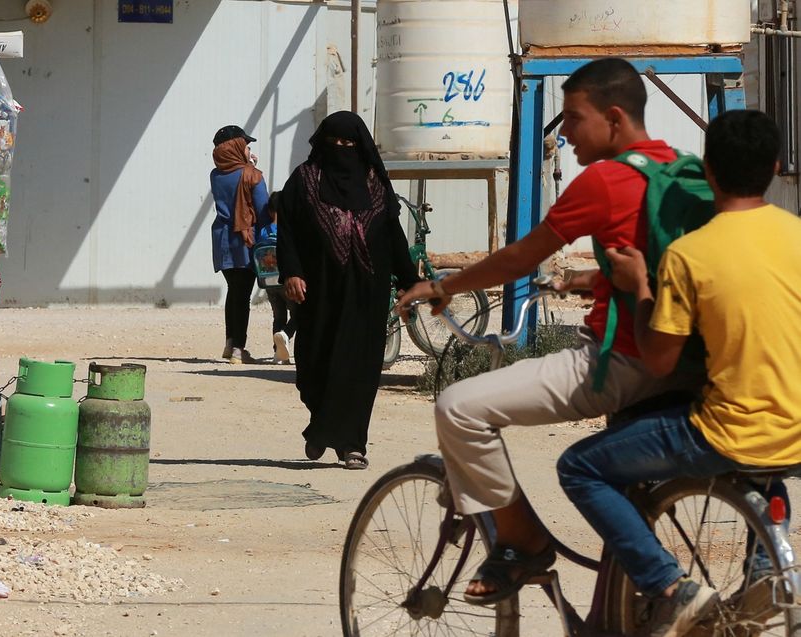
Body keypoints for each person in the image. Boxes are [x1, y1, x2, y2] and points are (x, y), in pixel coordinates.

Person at [396, 58, 704, 600]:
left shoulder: (605, 179)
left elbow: (521, 257)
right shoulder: (683, 169)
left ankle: (520, 540)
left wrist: (446, 286)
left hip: (622, 361)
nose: (563, 132)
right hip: (684, 359)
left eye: (572, 117)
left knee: (459, 407)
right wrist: (598, 277)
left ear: (613, 118)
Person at [556, 110, 801, 637]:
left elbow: (659, 360)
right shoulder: (797, 236)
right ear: (777, 167)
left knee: (580, 467)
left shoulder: (691, 254)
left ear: (708, 171)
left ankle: (669, 586)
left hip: (727, 432)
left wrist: (639, 283)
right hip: (795, 429)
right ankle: (764, 568)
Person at [278, 111, 419, 469]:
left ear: (361, 147)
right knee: (315, 363)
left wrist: (411, 283)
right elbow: (289, 231)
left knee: (360, 367)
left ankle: (352, 443)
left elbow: (393, 238)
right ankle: (320, 427)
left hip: (366, 294)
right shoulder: (305, 180)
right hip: (319, 292)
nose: (341, 149)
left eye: (349, 144)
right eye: (334, 143)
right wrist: (291, 272)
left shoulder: (375, 185)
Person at [210, 124, 270, 364]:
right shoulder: (253, 176)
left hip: (223, 239)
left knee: (233, 291)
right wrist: (253, 169)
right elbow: (264, 210)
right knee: (242, 294)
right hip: (246, 241)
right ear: (236, 147)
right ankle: (238, 349)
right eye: (246, 146)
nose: (249, 149)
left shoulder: (216, 175)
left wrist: (248, 165)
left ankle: (229, 343)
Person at [260, 190, 297, 364]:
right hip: (285, 281)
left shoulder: (263, 232)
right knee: (298, 315)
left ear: (269, 211)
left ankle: (278, 354)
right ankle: (286, 334)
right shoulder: (288, 231)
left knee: (278, 316)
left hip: (268, 282)